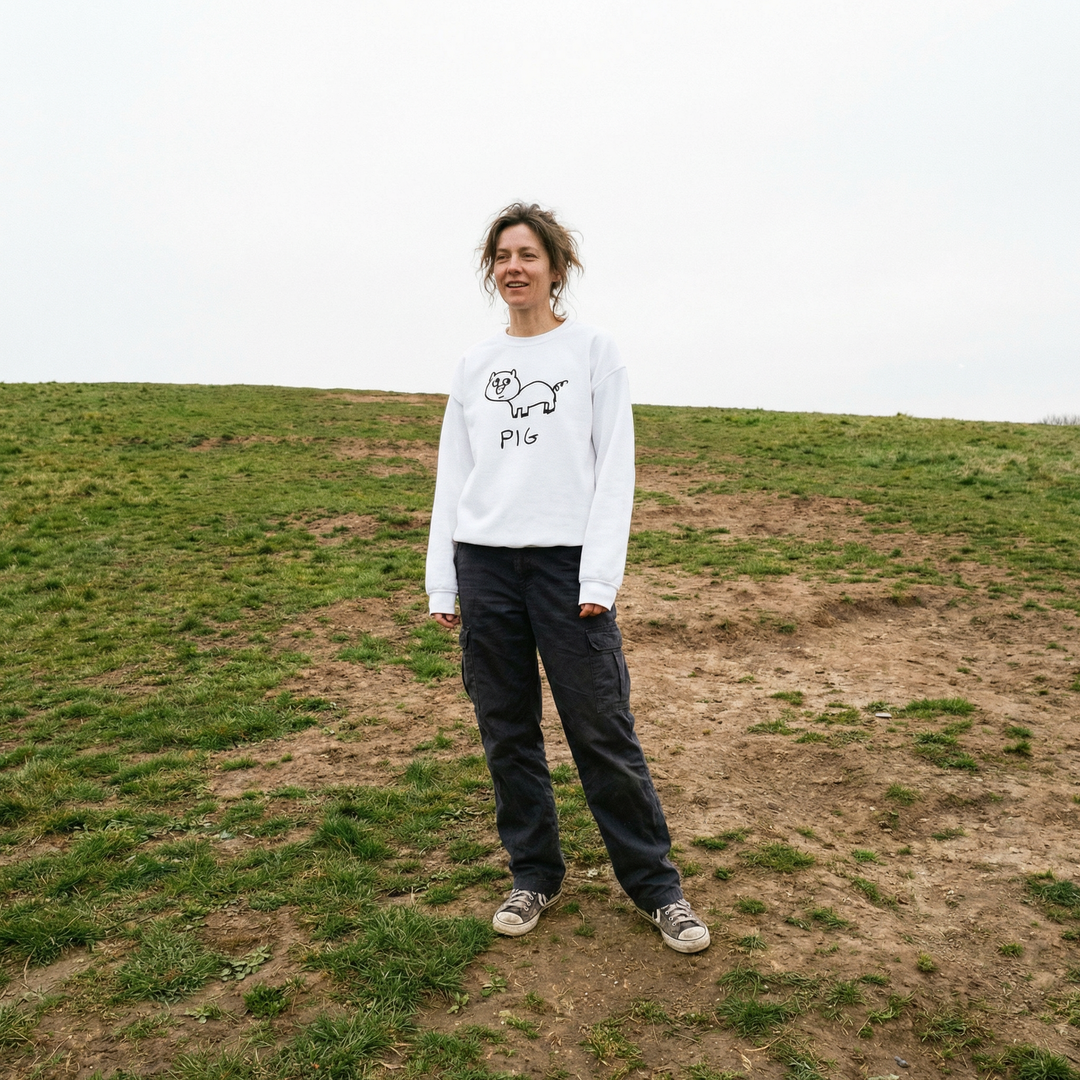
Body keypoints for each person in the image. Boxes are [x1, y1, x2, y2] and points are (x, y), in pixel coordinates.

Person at [425, 202, 709, 954]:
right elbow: (454, 475)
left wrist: (598, 579)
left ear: (556, 266)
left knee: (601, 730)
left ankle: (658, 889)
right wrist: (444, 582)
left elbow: (616, 469)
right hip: (486, 564)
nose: (513, 267)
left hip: (565, 568)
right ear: (491, 270)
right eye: (502, 256)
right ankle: (534, 875)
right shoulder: (475, 364)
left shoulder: (592, 351)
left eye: (528, 254)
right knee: (507, 732)